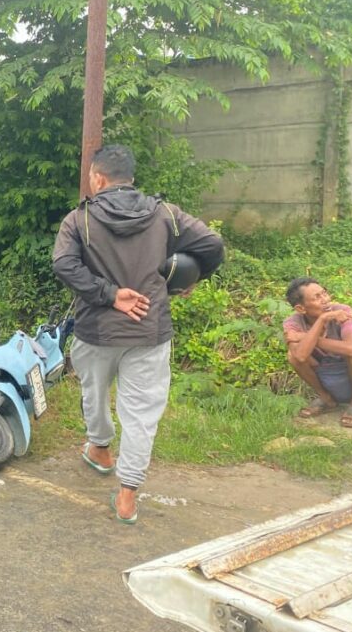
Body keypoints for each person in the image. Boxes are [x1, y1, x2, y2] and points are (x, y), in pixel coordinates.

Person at [52, 144, 224, 525]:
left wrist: (110, 295)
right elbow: (212, 245)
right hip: (150, 329)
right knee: (141, 414)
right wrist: (190, 278)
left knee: (93, 394)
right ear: (130, 178)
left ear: (97, 177)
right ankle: (127, 494)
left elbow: (63, 264)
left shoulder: (78, 220)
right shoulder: (165, 214)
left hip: (96, 330)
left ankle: (99, 448)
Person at [283, 278, 352, 427]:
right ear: (301, 309)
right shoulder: (293, 323)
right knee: (292, 356)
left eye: (324, 293)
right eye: (317, 297)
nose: (325, 300)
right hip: (328, 378)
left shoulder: (342, 311)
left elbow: (351, 349)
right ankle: (327, 399)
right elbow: (300, 356)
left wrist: (304, 337)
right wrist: (322, 320)